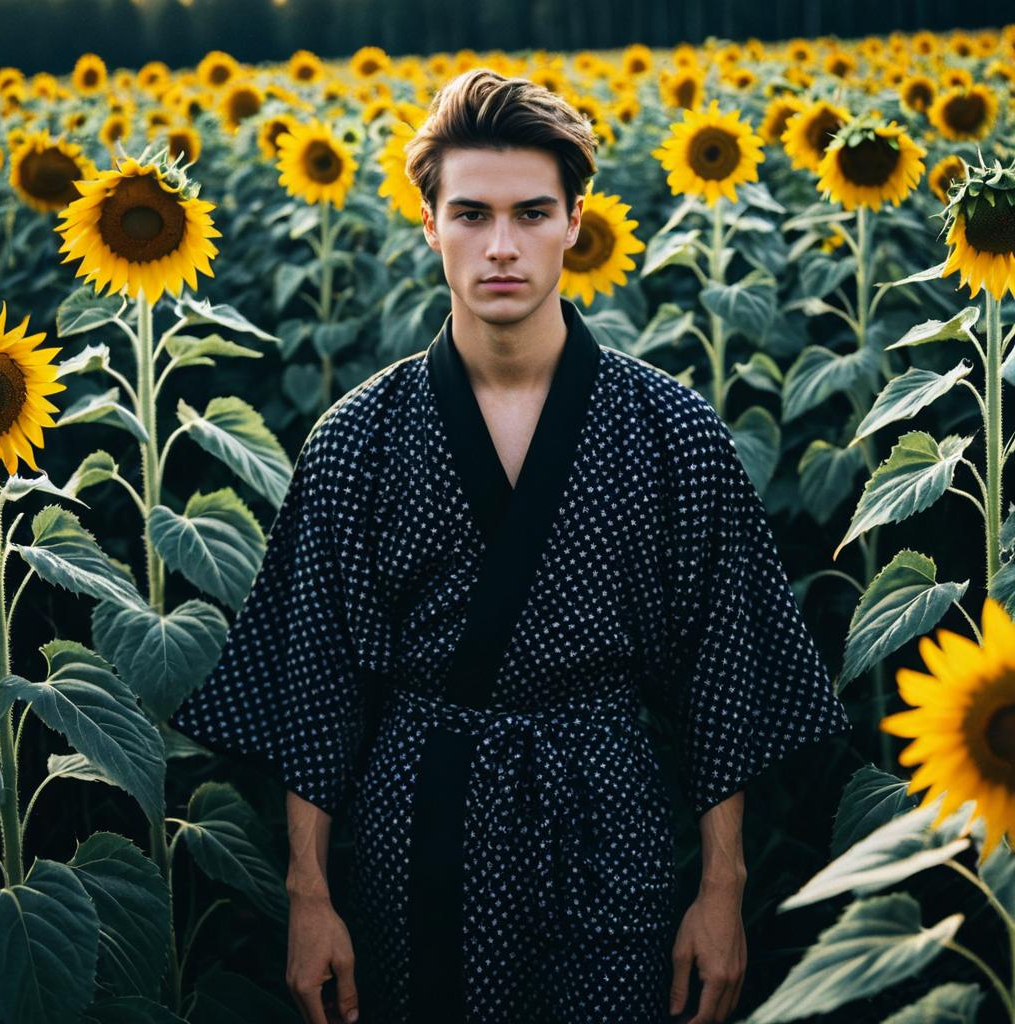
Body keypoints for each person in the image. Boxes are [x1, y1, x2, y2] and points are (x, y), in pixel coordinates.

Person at [168, 68, 853, 1024]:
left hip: (608, 831)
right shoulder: (357, 438)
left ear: (576, 221)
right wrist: (310, 898)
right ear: (429, 223)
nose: (501, 247)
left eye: (532, 214)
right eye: (471, 214)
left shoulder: (673, 432)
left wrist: (722, 890)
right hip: (419, 842)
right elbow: (316, 687)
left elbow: (724, 674)